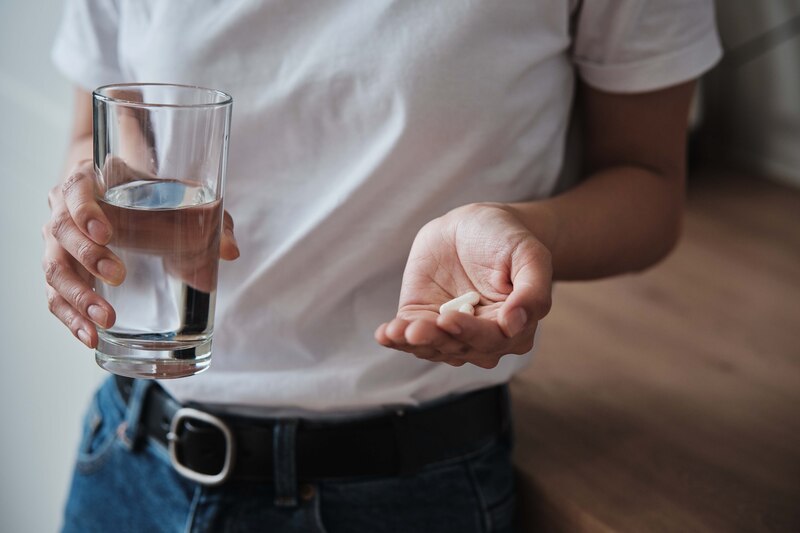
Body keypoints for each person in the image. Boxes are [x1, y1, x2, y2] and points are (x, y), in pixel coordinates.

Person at [43, 1, 722, 531]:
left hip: (408, 493)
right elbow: (96, 128)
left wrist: (525, 232)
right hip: (135, 459)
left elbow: (650, 180)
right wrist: (92, 198)